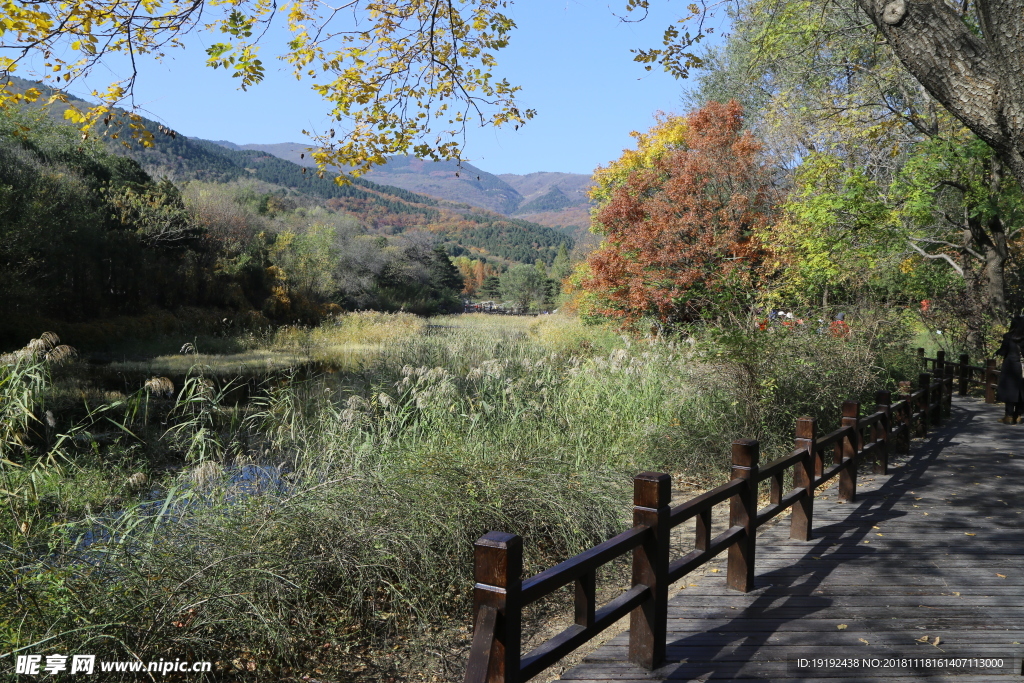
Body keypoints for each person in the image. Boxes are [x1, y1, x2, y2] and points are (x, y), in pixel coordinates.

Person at [995, 316, 1024, 423]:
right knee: (1022, 391)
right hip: (1022, 367)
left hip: (1010, 366)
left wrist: (998, 352)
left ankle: (1009, 416)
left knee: (1010, 391)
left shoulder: (1008, 337)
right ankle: (1019, 415)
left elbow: (1003, 351)